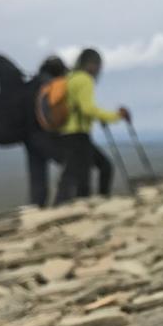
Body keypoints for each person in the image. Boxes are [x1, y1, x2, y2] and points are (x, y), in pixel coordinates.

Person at [55, 48, 130, 204]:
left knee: (79, 173)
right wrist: (115, 116)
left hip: (66, 134)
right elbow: (87, 109)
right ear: (92, 65)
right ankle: (94, 205)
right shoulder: (84, 80)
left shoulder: (70, 78)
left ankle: (68, 205)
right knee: (91, 174)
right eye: (97, 65)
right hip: (79, 134)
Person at [22, 55, 67, 207]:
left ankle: (37, 210)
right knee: (72, 164)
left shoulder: (29, 85)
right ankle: (61, 204)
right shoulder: (49, 86)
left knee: (38, 182)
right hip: (45, 135)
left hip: (28, 137)